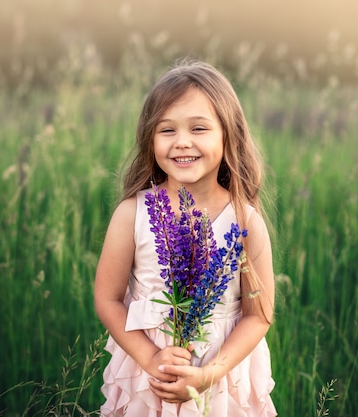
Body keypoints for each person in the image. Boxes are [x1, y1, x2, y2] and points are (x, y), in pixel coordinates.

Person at [94, 60, 277, 417]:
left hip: (219, 378)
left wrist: (210, 372)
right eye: (167, 130)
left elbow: (259, 315)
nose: (182, 142)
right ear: (150, 138)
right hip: (150, 375)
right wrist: (151, 359)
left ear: (229, 135)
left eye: (199, 128)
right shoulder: (133, 214)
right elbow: (107, 298)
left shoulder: (245, 221)